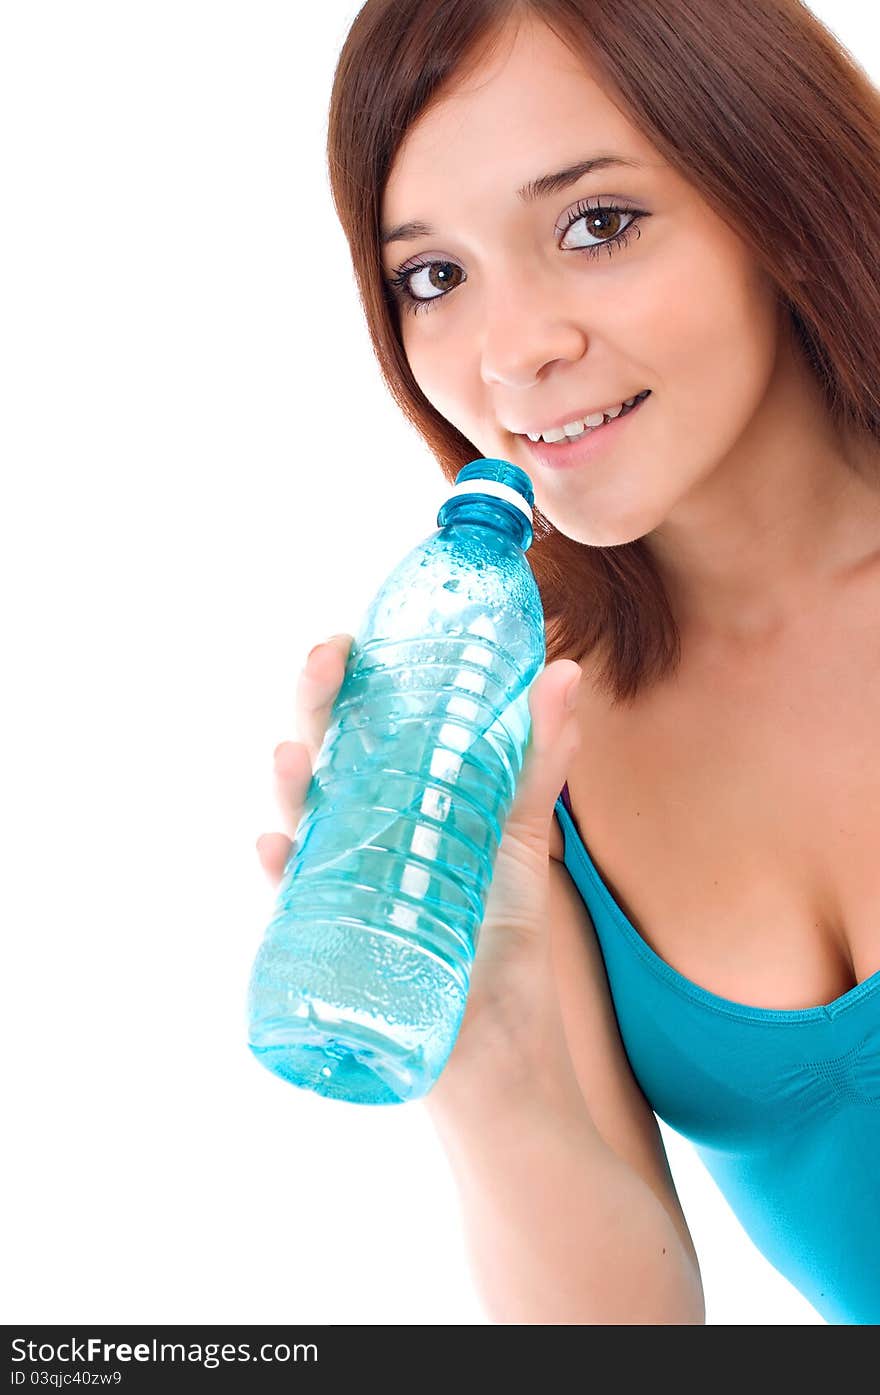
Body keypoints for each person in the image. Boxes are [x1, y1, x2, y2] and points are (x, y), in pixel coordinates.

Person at [256, 0, 880, 1324]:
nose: (510, 354)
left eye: (595, 225)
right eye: (433, 275)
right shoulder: (528, 724)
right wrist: (483, 1041)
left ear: (774, 184)